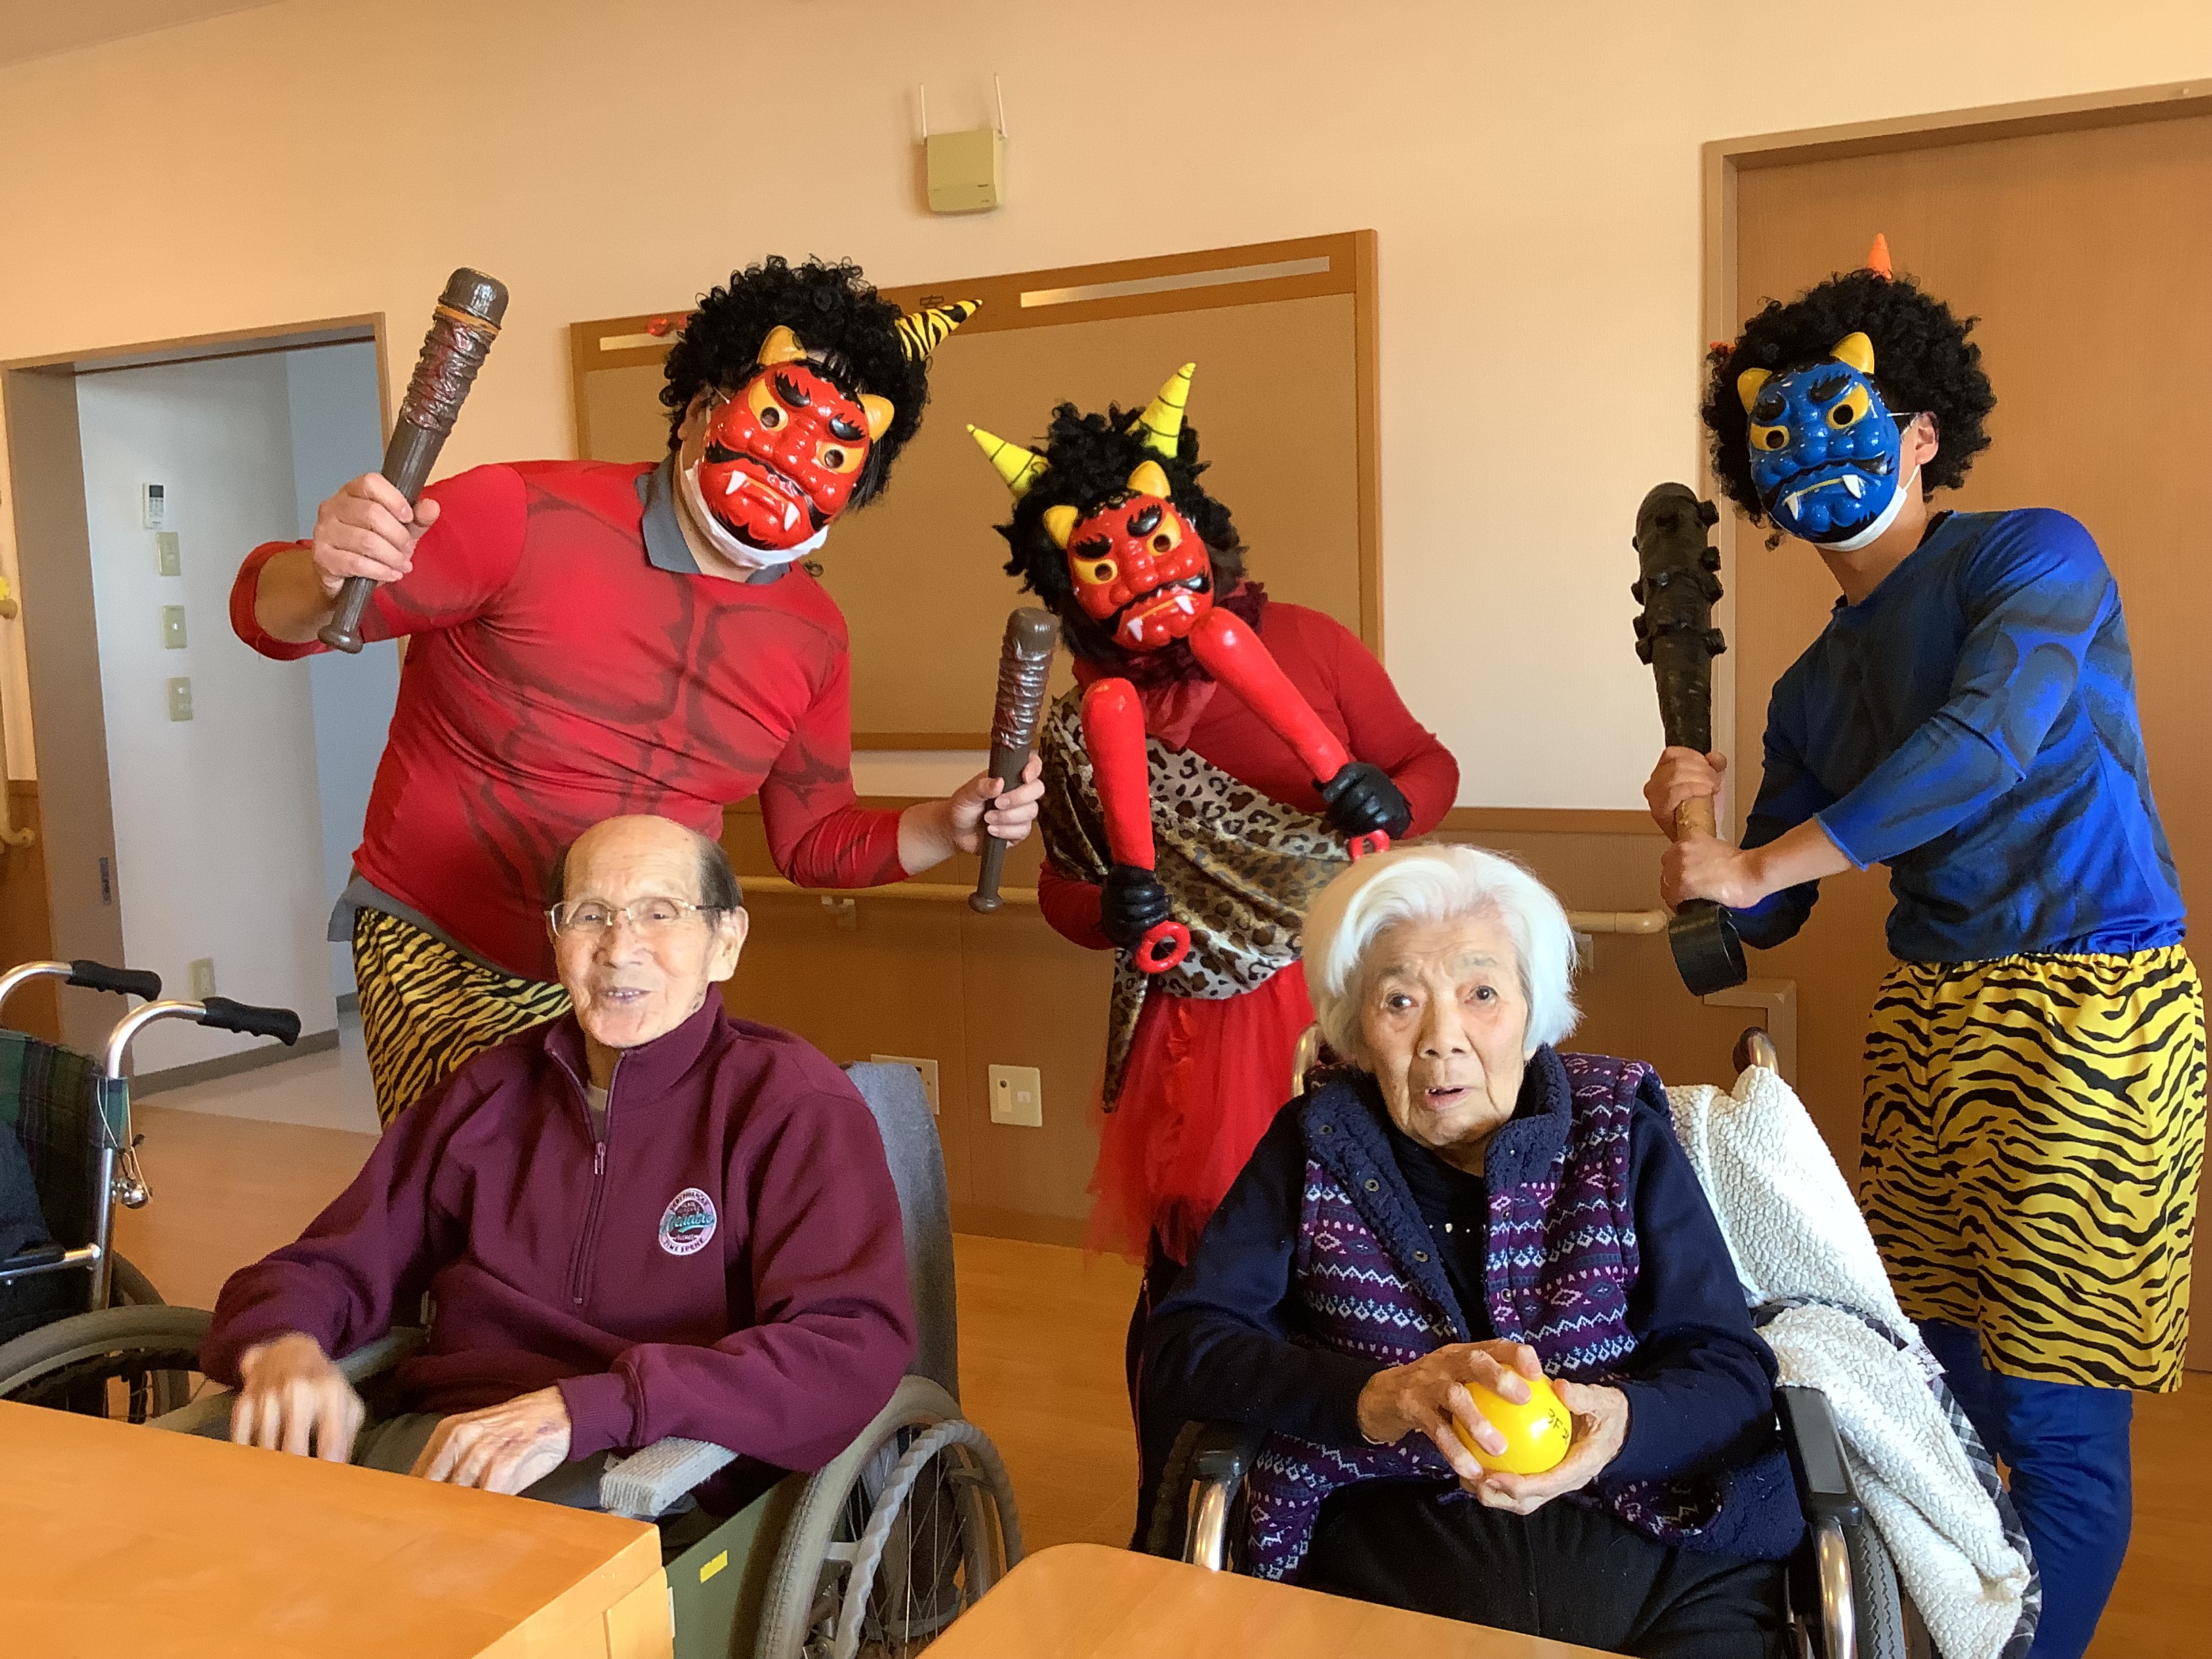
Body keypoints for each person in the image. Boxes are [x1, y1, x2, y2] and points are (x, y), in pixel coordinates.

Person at [1650, 240, 2203, 1659]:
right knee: (1925, 1385)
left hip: (2096, 1010)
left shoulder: (2032, 556)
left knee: (2054, 1411)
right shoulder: (1808, 685)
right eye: (1778, 435)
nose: (1811, 453)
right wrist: (1697, 838)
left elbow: (1986, 743)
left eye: (1843, 416)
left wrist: (1759, 858)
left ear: (1919, 430)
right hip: (1929, 1023)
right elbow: (1754, 925)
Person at [230, 258, 1044, 1125]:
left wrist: (945, 825)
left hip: (655, 969)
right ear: (698, 410)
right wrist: (325, 573)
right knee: (484, 1186)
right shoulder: (521, 514)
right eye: (776, 414)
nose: (794, 459)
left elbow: (814, 843)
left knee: (649, 1194)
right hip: (450, 950)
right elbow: (268, 616)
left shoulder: (815, 637)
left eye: (835, 449)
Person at [972, 365, 1458, 1502]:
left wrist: (1390, 803)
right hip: (1191, 1027)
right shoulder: (1083, 719)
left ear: (1193, 523)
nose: (1134, 566)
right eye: (1095, 557)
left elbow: (1426, 765)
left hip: (1344, 997)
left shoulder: (1307, 643)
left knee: (1357, 1264)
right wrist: (1110, 908)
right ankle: (1186, 1496)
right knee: (1200, 1281)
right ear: (1065, 580)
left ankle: (1354, 1498)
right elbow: (1063, 890)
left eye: (1150, 532)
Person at [1145, 845, 1801, 1658]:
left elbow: (1730, 1369)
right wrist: (1375, 1396)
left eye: (1481, 994)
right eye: (1400, 1001)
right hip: (1394, 1552)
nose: (1441, 1040)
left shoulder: (1619, 1135)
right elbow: (1188, 1345)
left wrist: (1624, 1426)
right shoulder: (1314, 1148)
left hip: (1660, 1546)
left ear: (1532, 1010)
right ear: (1356, 1030)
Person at [198, 813, 912, 1511]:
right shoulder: (489, 1092)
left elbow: (846, 1349)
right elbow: (330, 1261)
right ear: (555, 939)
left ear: (725, 942)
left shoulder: (792, 1106)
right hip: (449, 1441)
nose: (620, 948)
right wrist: (283, 1343)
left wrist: (597, 1406)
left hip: (648, 1469)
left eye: (660, 913)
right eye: (590, 915)